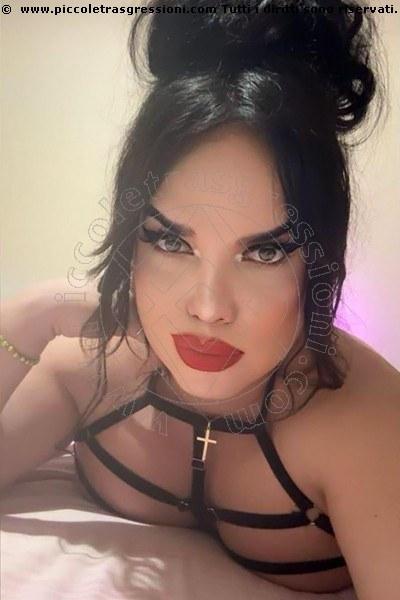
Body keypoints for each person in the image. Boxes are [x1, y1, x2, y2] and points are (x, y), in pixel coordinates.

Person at [1, 0, 399, 596]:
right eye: (170, 242)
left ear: (318, 260)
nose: (209, 308)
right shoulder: (90, 370)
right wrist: (33, 314)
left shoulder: (366, 423)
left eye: (264, 252)